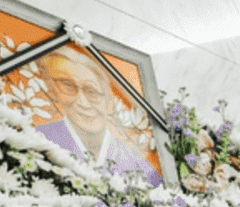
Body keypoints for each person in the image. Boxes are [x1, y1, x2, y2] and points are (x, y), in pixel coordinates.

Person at [34, 50, 162, 186]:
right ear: (54, 91)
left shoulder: (139, 165)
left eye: (91, 92)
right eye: (69, 87)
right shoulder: (38, 139)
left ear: (108, 100)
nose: (82, 103)